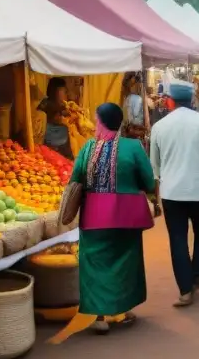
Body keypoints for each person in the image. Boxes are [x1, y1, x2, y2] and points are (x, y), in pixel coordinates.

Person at [49, 103, 157, 343]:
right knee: (125, 263)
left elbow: (75, 179)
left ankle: (99, 318)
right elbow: (149, 181)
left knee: (95, 265)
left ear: (102, 122)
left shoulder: (88, 148)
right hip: (126, 217)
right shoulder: (133, 147)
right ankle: (124, 309)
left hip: (94, 217)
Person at [150, 81, 199, 307]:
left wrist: (154, 193)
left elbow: (154, 166)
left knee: (177, 239)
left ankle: (185, 290)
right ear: (192, 101)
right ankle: (198, 272)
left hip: (171, 192)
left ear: (170, 101)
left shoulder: (159, 126)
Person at [39, 77, 73, 159]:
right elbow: (51, 109)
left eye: (65, 91)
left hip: (63, 148)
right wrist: (61, 111)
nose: (66, 94)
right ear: (53, 91)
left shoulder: (64, 106)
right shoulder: (45, 104)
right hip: (49, 147)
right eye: (63, 91)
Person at [122, 73, 147, 141]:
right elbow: (136, 120)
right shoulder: (137, 99)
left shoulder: (124, 98)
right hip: (133, 135)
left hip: (124, 133)